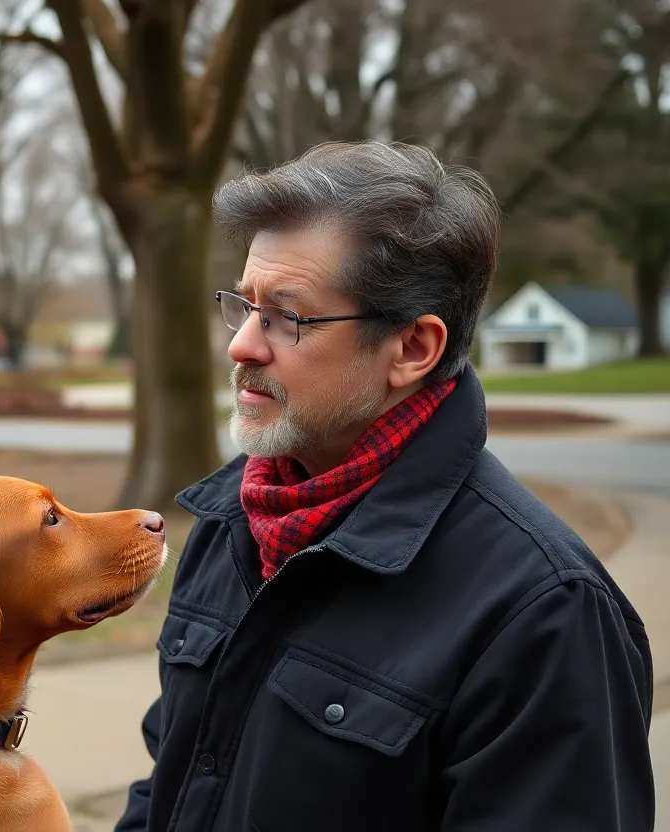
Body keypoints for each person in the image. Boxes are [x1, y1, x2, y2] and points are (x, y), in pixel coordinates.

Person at [113, 141, 654, 832]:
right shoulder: (230, 525)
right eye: (244, 305)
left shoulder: (544, 613)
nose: (241, 345)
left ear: (412, 349)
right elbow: (172, 787)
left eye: (287, 316)